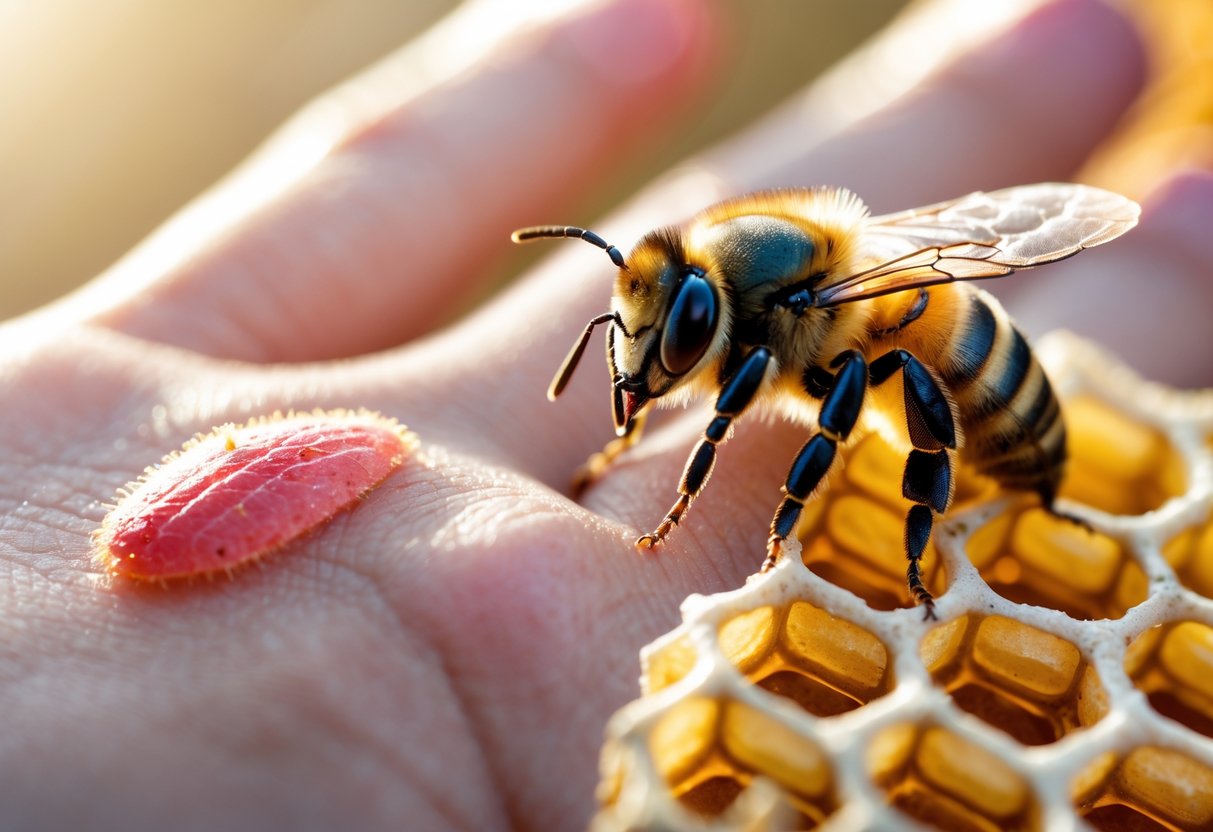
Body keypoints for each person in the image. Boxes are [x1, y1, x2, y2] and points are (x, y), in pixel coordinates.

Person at [1, 0, 1208, 828]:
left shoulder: (808, 300)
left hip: (983, 381)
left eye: (668, 338)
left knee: (873, 393)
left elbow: (804, 394)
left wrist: (694, 498)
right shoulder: (726, 289)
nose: (649, 360)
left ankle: (918, 556)